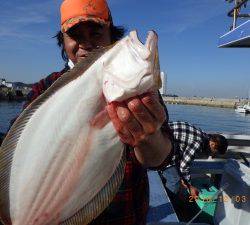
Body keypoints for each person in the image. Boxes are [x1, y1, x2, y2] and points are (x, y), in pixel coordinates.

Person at [3, 0, 173, 224]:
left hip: (125, 216)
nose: (86, 43)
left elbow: (160, 159)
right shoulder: (42, 89)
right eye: (75, 35)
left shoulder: (145, 94)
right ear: (63, 41)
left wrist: (148, 136)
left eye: (95, 33)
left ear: (111, 35)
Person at [161, 121, 228, 199]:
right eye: (214, 152)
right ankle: (169, 204)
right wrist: (189, 186)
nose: (212, 155)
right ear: (212, 144)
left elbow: (184, 159)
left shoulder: (204, 136)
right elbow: (184, 167)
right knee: (175, 181)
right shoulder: (198, 143)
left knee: (179, 175)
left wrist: (186, 181)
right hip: (160, 143)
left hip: (168, 141)